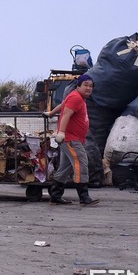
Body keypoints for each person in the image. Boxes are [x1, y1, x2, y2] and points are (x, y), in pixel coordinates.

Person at [43, 74, 100, 206]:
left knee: (65, 167)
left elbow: (63, 105)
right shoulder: (76, 98)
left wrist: (51, 113)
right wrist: (61, 132)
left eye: (91, 86)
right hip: (71, 139)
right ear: (78, 85)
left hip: (72, 138)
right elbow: (66, 115)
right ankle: (84, 197)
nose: (88, 88)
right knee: (81, 163)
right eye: (85, 85)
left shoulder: (76, 97)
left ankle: (55, 196)